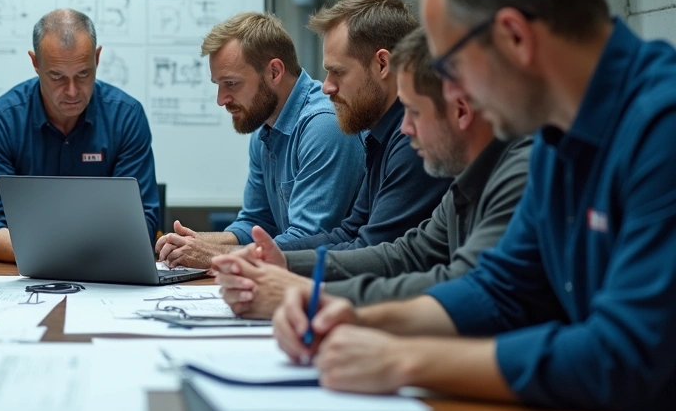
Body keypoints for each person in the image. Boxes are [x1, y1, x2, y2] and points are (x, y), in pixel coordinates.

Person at [273, 0, 676, 411]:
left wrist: (406, 359)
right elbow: (500, 288)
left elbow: (621, 353)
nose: (455, 92)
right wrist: (356, 315)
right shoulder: (557, 134)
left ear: (514, 37)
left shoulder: (660, 129)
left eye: (453, 65)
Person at [213, 27, 530, 315]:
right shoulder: (466, 173)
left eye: (414, 112)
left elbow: (467, 290)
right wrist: (285, 262)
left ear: (461, 110)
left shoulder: (519, 175)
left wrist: (311, 295)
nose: (405, 128)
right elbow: (408, 253)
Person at [154, 11, 364, 269]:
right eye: (218, 84)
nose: (221, 99)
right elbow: (256, 222)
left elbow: (307, 240)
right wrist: (197, 242)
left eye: (231, 83)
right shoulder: (264, 128)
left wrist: (214, 254)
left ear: (274, 72)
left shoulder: (323, 125)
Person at [0, 8, 158, 262]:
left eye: (83, 74)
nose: (72, 91)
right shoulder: (2, 120)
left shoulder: (125, 117)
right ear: (35, 63)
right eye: (57, 77)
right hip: (25, 272)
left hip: (103, 274)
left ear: (97, 58)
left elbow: (141, 224)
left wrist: (53, 250)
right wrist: (56, 253)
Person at [270, 0, 450, 253]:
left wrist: (271, 260)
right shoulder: (380, 135)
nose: (326, 87)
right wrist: (261, 256)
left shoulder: (412, 140)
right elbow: (349, 232)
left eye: (338, 72)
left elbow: (373, 249)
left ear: (382, 64)